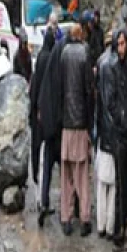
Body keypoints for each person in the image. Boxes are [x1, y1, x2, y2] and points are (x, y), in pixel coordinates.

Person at [99, 28, 127, 252]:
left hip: (125, 129)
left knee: (125, 184)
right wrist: (122, 122)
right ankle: (118, 233)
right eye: (119, 44)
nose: (122, 48)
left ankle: (120, 228)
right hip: (118, 131)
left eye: (124, 44)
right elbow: (110, 101)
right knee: (121, 183)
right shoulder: (111, 67)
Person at [59, 24, 94, 237]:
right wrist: (90, 123)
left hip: (66, 122)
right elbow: (89, 90)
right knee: (82, 175)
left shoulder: (63, 54)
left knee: (66, 175)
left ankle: (66, 217)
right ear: (80, 36)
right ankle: (85, 218)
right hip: (80, 122)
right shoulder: (84, 53)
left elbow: (61, 87)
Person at [38, 21, 69, 227]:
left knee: (48, 169)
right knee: (65, 172)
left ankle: (44, 201)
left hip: (48, 130)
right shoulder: (59, 71)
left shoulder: (45, 66)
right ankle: (67, 208)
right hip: (59, 131)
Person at [29, 28, 56, 213]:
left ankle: (40, 196)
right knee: (47, 157)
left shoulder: (40, 58)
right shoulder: (51, 59)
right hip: (48, 115)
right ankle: (43, 199)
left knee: (39, 154)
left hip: (37, 113)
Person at [94, 30, 117, 239]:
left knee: (101, 183)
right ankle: (110, 226)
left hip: (103, 131)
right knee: (113, 185)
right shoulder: (119, 65)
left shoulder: (100, 63)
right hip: (115, 133)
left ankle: (101, 225)